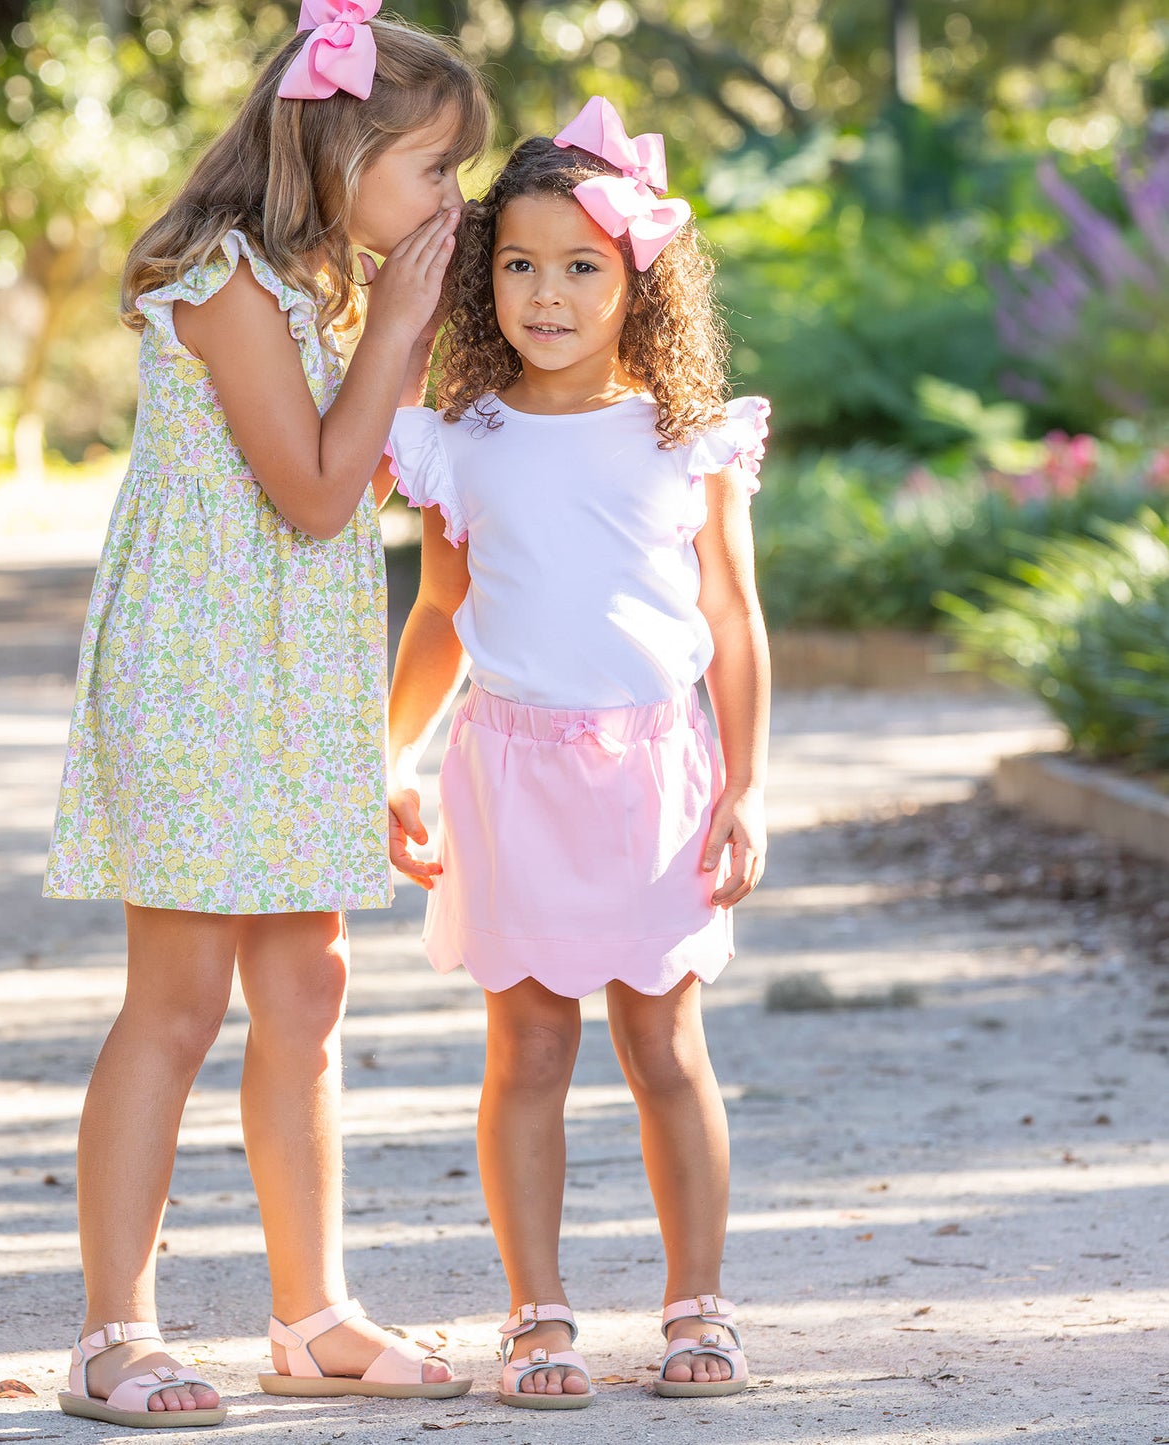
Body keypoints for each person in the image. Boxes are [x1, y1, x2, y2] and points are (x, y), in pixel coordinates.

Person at [42, 2, 490, 1427]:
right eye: (430, 169)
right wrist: (408, 320)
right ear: (342, 146)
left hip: (295, 674)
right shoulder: (221, 276)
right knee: (174, 1005)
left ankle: (311, 1314)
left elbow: (363, 482)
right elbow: (310, 490)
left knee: (308, 984)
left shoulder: (329, 290)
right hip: (197, 676)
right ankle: (115, 1332)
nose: (448, 202)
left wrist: (405, 332)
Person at [385, 96, 770, 1411]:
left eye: (581, 266)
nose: (545, 295)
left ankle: (695, 1301)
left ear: (638, 279)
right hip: (505, 773)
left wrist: (746, 786)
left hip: (656, 776)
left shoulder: (685, 437)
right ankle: (534, 1311)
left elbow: (729, 619)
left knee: (664, 1047)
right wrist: (391, 757)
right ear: (486, 277)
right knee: (528, 1050)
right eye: (519, 265)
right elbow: (441, 614)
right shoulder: (461, 439)